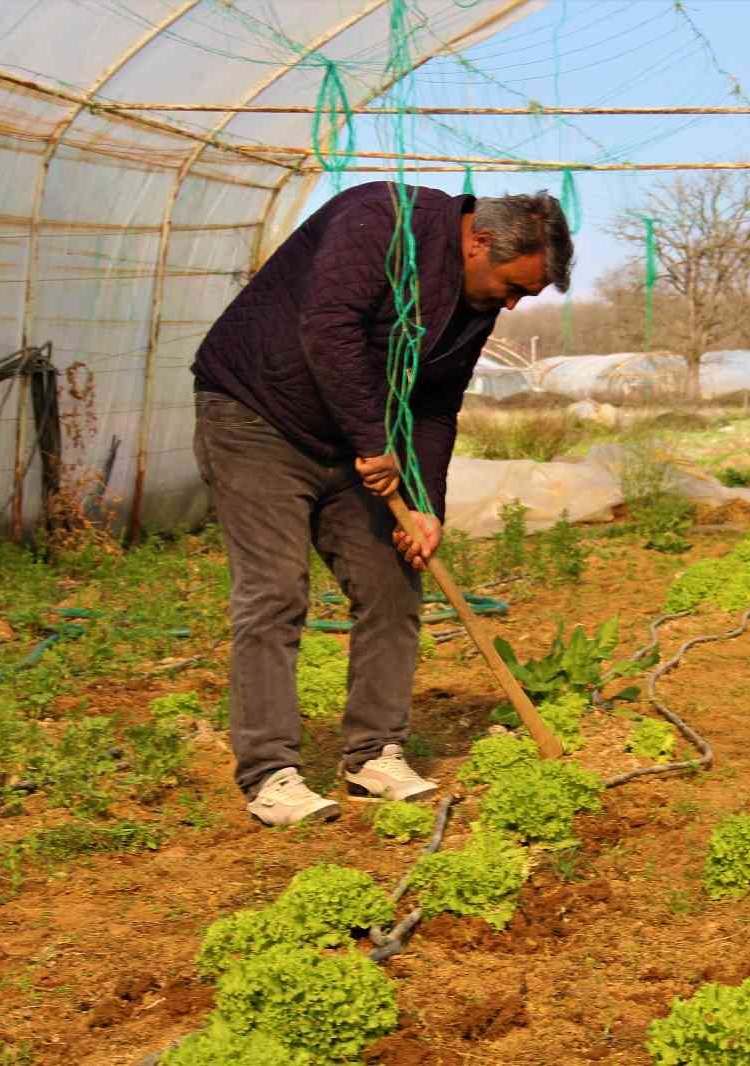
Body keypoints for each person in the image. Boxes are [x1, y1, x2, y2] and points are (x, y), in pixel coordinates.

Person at [191, 182, 572, 826]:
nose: (509, 305)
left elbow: (434, 405)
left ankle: (374, 753)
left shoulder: (476, 306)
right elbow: (328, 325)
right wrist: (373, 442)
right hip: (257, 415)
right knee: (275, 589)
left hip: (355, 438)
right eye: (512, 287)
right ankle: (269, 772)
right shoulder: (381, 220)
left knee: (394, 580)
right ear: (479, 241)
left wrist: (426, 506)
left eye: (523, 298)